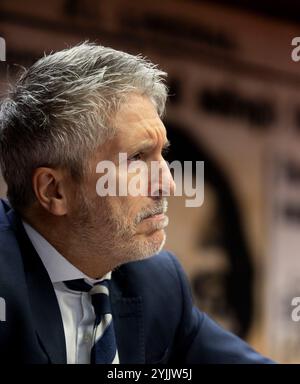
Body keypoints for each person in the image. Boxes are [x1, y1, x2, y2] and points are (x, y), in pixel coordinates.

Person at [0, 43, 272, 364]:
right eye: (137, 158)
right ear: (54, 190)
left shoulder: (156, 280)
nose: (167, 184)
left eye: (162, 156)